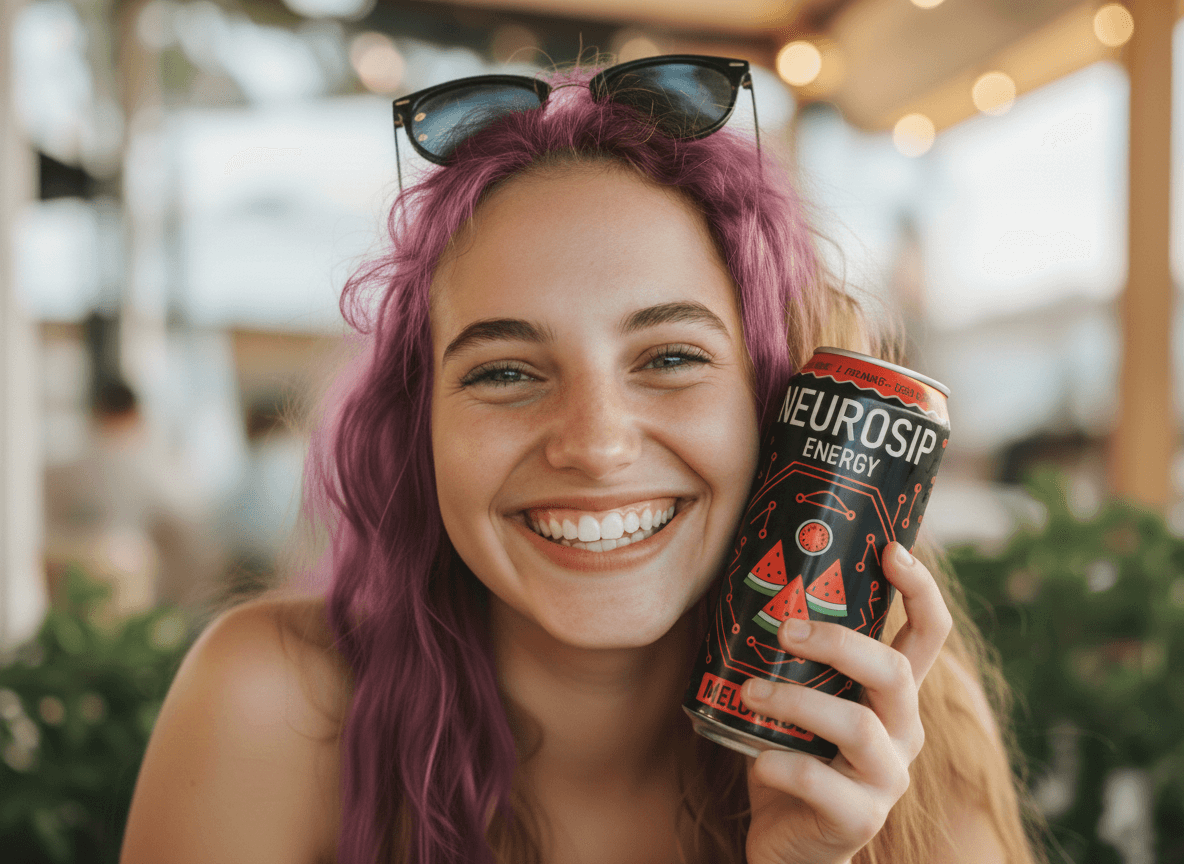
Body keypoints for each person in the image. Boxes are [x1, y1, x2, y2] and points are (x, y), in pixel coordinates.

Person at [120, 57, 1048, 864]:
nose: (596, 444)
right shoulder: (269, 707)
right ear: (420, 430)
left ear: (774, 406)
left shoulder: (900, 736)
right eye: (507, 371)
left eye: (672, 358)